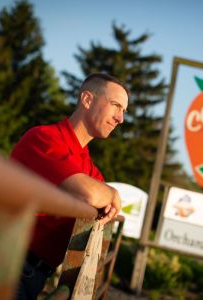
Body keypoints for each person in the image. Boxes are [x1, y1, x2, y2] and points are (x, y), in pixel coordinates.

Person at [10, 73, 129, 300]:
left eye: (124, 111)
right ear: (87, 100)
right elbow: (91, 194)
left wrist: (108, 197)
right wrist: (112, 193)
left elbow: (101, 200)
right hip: (3, 264)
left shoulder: (90, 169)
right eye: (116, 106)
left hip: (35, 275)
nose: (120, 118)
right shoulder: (44, 138)